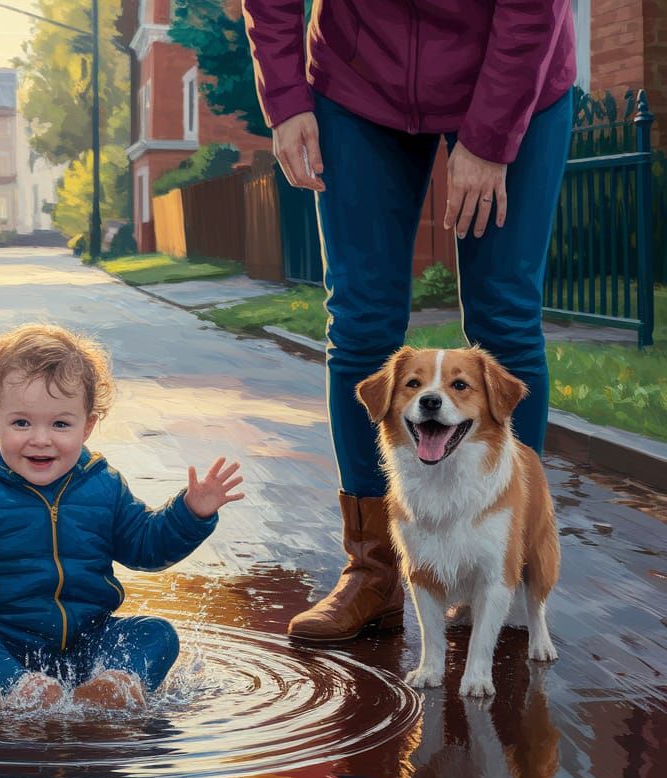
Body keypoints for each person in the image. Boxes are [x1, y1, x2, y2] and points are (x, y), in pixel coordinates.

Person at [241, 0, 575, 643]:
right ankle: (375, 569)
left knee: (503, 318)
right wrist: (285, 98)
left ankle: (506, 561)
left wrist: (490, 136)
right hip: (360, 81)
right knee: (362, 324)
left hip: (512, 73)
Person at [0, 323, 244, 709]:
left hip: (88, 643)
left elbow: (146, 547)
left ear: (87, 426)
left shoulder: (103, 485)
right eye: (21, 422)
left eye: (60, 424)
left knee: (157, 633)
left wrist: (191, 513)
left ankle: (113, 685)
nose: (40, 438)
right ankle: (21, 691)